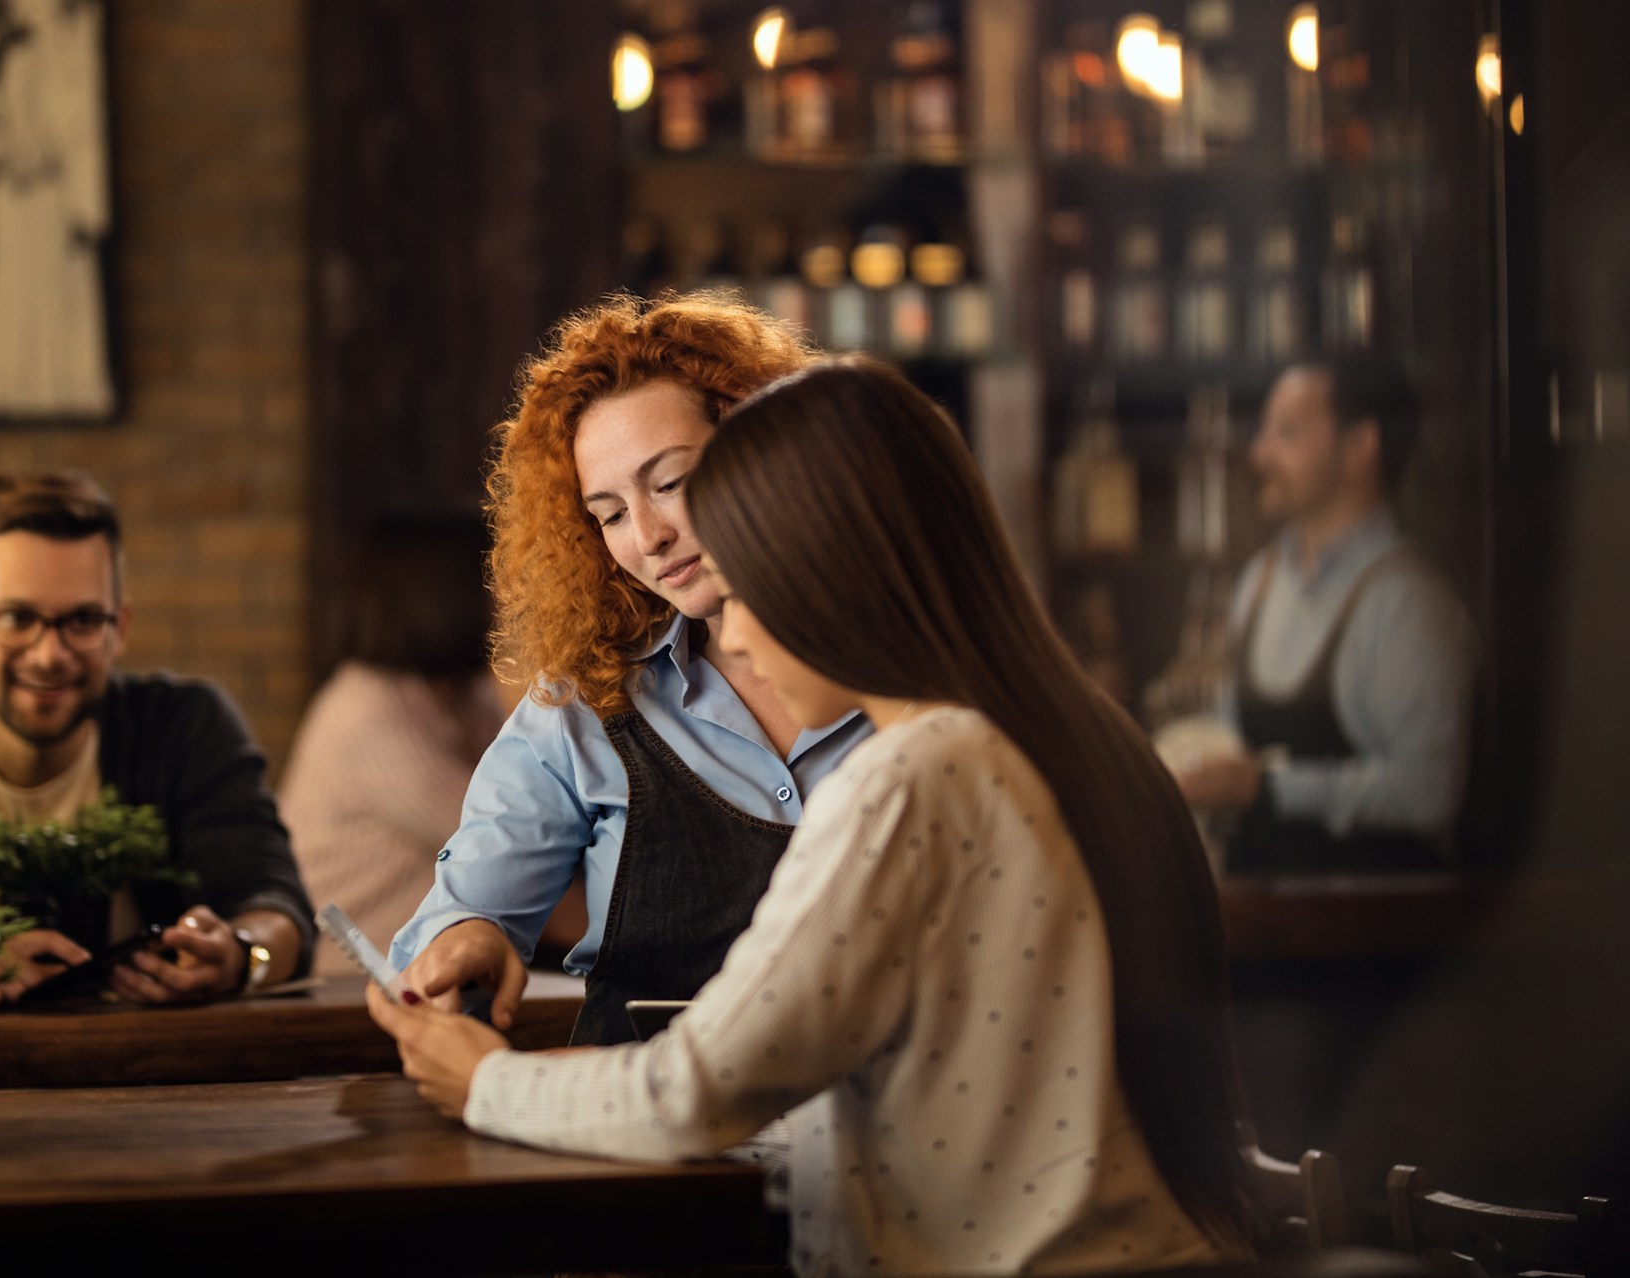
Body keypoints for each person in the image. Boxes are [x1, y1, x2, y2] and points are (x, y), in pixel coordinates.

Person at [369, 359, 1256, 1275]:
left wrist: (486, 1083)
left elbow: (697, 1092)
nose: (736, 636)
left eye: (752, 584)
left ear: (839, 555)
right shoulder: (1088, 737)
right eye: (608, 515)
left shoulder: (911, 775)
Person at [388, 293, 873, 1045]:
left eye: (671, 482)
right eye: (609, 513)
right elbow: (464, 910)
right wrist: (470, 939)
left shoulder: (912, 672)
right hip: (641, 1140)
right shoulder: (584, 704)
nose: (648, 537)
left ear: (769, 449)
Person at [0, 472, 315, 1004]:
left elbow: (275, 900)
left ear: (122, 626)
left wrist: (241, 954)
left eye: (84, 620)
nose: (49, 655)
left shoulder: (184, 725)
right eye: (18, 618)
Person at [1176, 356, 1475, 873]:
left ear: (1360, 447)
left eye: (1286, 433)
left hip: (1368, 938)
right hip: (1262, 928)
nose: (1259, 452)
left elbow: (1429, 793)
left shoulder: (1407, 602)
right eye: (1264, 431)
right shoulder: (1260, 581)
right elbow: (1231, 738)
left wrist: (1268, 788)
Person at [279, 514, 514, 968]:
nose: (516, 594)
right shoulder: (367, 709)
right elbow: (504, 846)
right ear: (447, 593)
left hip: (428, 973)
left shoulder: (468, 695)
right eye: (501, 574)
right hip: (347, 985)